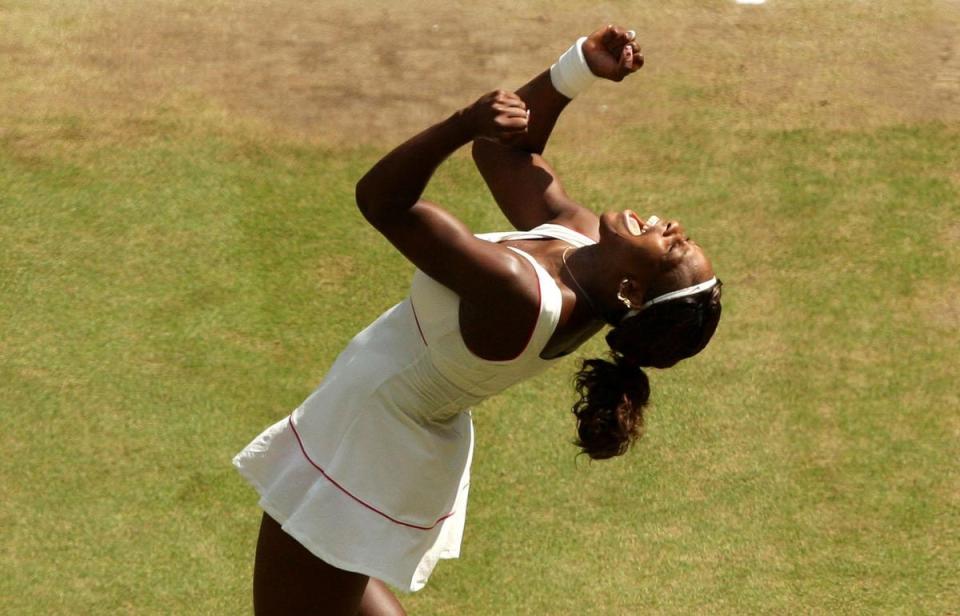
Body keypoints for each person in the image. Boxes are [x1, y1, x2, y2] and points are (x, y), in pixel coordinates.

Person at [234, 24, 722, 615]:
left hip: (365, 447)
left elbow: (382, 201)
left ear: (630, 290)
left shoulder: (518, 293)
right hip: (385, 434)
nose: (669, 227)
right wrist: (576, 71)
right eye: (683, 237)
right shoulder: (577, 246)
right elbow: (502, 154)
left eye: (672, 249)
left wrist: (461, 121)